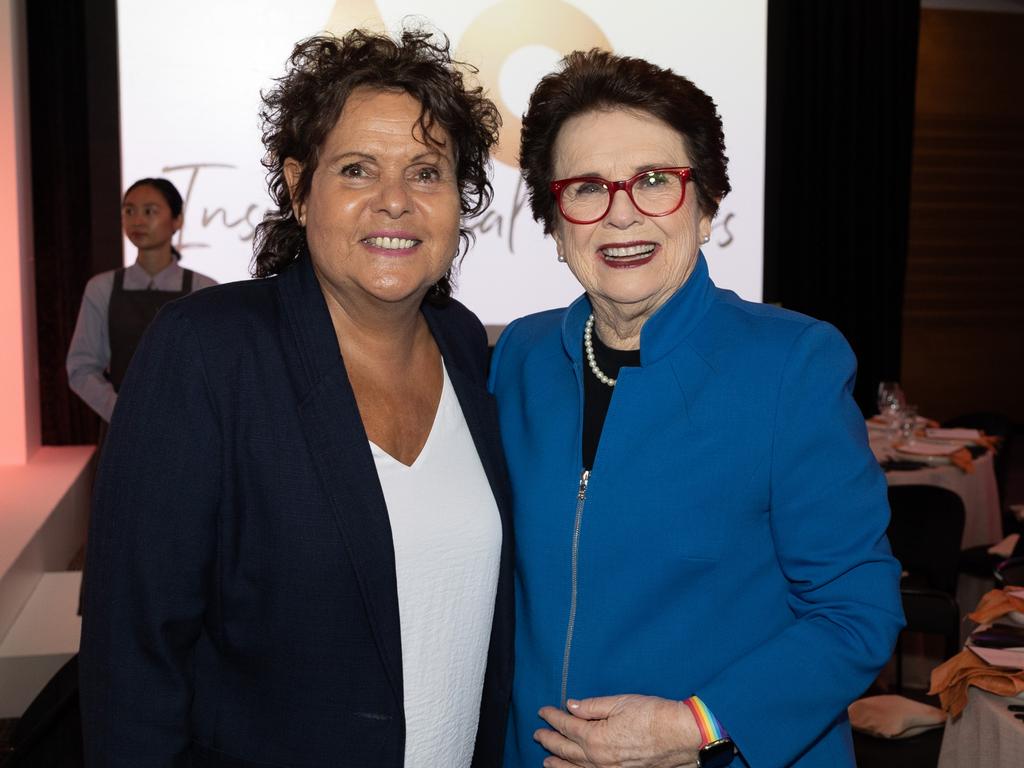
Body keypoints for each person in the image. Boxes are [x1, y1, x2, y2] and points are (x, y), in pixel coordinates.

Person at [79, 29, 512, 767]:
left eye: (426, 172)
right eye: (356, 170)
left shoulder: (467, 346)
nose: (395, 202)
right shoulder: (208, 351)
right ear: (299, 188)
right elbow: (135, 651)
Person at [488, 50, 904, 768]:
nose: (621, 213)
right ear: (556, 226)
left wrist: (697, 726)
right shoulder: (519, 358)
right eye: (587, 188)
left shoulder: (791, 366)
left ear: (706, 207)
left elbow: (855, 613)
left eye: (655, 180)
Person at [66, 178, 216, 424]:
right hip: (121, 428)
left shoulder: (204, 289)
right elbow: (81, 367)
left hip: (186, 431)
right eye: (129, 211)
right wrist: (124, 412)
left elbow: (215, 371)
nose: (137, 220)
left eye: (150, 211)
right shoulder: (101, 288)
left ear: (177, 220)